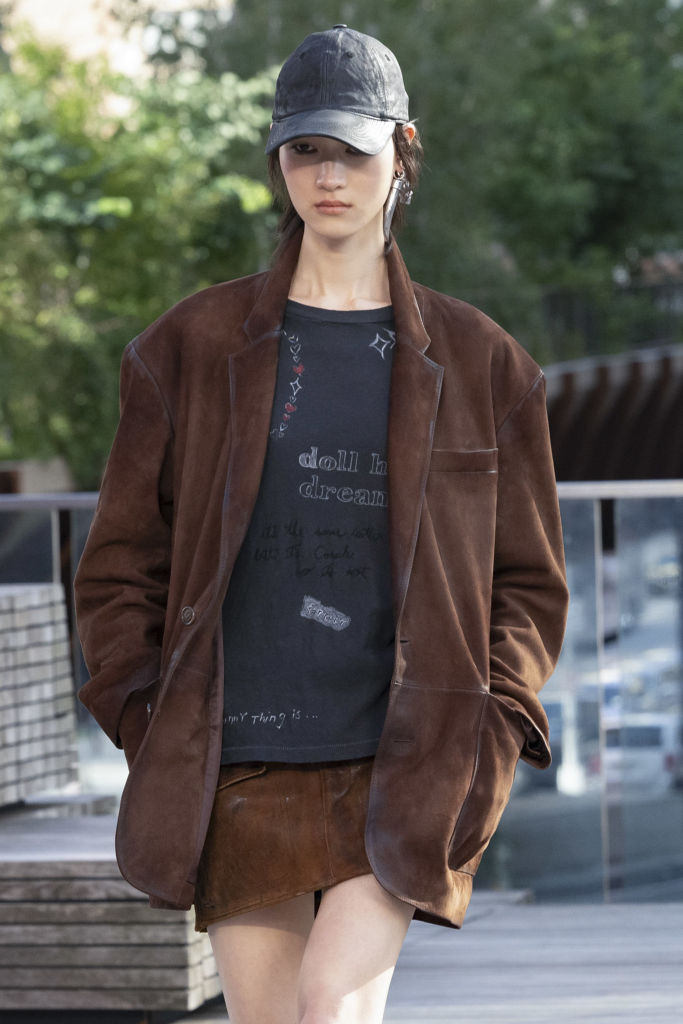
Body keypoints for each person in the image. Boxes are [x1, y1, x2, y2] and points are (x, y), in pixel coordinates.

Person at [74, 24, 569, 1024]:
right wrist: (146, 716)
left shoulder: (481, 364)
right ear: (278, 160)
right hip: (239, 763)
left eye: (350, 148)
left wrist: (493, 729)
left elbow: (527, 584)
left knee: (329, 1011)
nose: (327, 174)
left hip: (402, 757)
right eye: (305, 149)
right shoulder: (186, 350)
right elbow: (119, 565)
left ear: (402, 151)